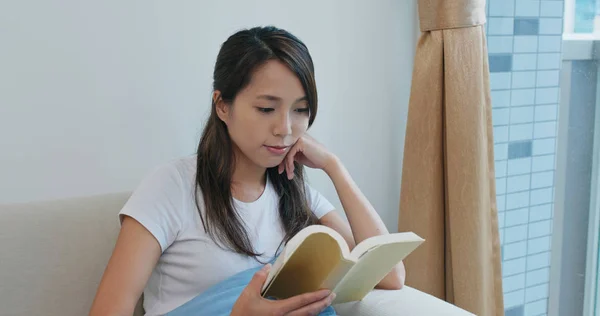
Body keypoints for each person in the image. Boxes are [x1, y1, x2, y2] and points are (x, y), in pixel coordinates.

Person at [89, 26, 405, 316]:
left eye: (300, 110)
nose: (285, 129)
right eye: (266, 109)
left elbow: (390, 276)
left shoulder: (295, 191)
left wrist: (334, 167)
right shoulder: (171, 186)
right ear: (222, 106)